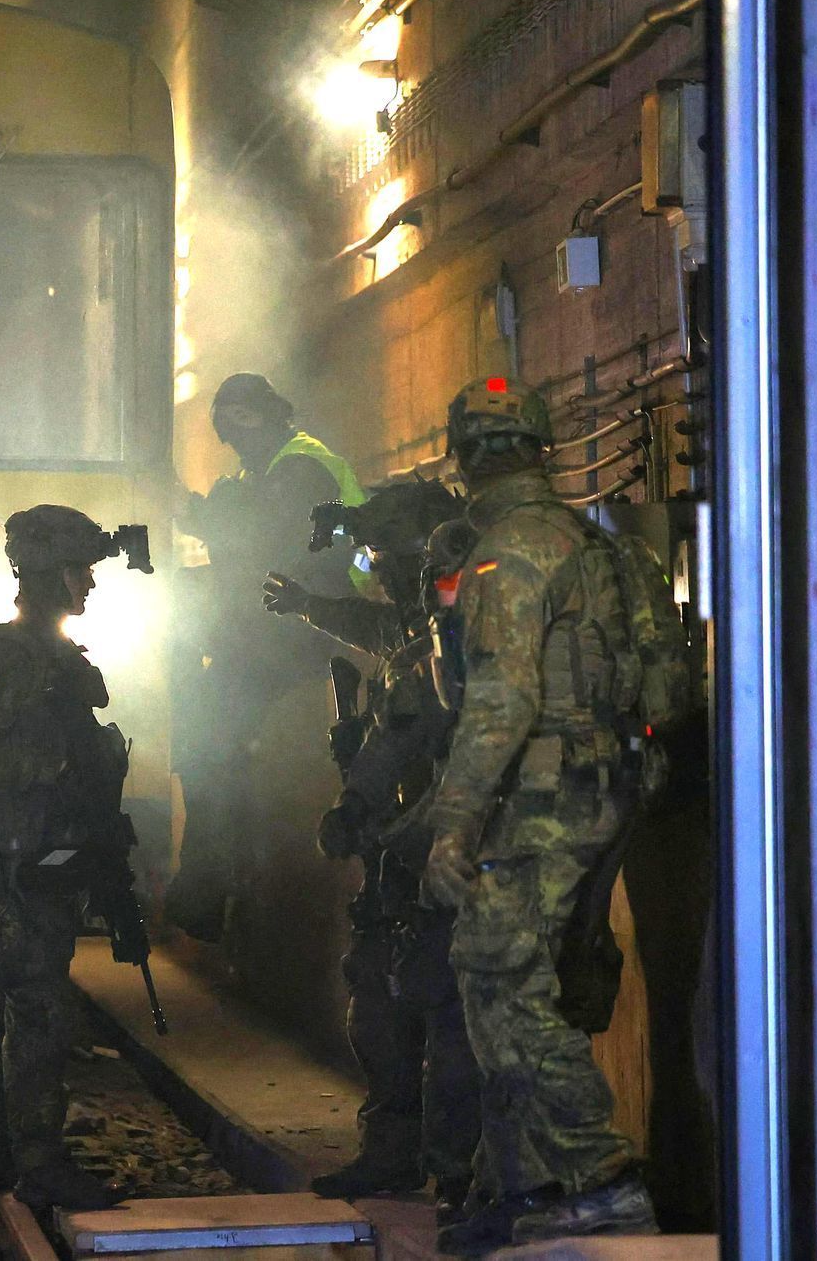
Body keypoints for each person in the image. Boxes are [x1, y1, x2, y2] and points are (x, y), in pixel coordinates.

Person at [422, 377, 659, 1253]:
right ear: (542, 446)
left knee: (500, 977)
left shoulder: (508, 552)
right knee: (516, 974)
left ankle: (597, 1179)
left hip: (543, 795)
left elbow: (501, 696)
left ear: (462, 456)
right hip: (600, 787)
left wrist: (452, 819)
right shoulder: (585, 541)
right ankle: (518, 1183)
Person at [260, 480, 484, 1221]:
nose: (384, 575)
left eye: (394, 561)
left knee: (453, 1017)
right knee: (379, 1005)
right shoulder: (415, 637)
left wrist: (393, 826)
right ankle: (390, 1151)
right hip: (400, 853)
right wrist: (357, 805)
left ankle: (457, 1170)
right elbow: (378, 660)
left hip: (458, 854)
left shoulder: (480, 640)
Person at [0, 505, 143, 1210]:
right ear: (48, 574)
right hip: (17, 858)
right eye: (80, 571)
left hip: (43, 855)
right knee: (35, 1008)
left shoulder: (50, 654)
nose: (88, 585)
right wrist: (61, 765)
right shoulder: (7, 656)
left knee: (9, 1002)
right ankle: (36, 1162)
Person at [165, 373, 367, 942]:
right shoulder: (265, 472)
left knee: (210, 732)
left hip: (303, 631)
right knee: (203, 723)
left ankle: (208, 886)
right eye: (228, 431)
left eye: (241, 425)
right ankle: (209, 883)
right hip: (281, 627)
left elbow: (267, 539)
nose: (235, 440)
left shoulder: (302, 467)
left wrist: (196, 509)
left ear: (265, 417)